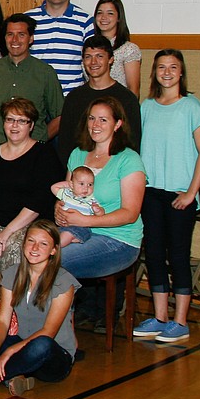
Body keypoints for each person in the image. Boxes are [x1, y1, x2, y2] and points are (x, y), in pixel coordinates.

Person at [133, 49, 200, 344]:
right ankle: (160, 317)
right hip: (150, 193)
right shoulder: (147, 106)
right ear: (154, 73)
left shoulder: (191, 106)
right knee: (153, 254)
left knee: (177, 255)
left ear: (181, 73)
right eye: (161, 67)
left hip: (180, 195)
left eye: (173, 67)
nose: (167, 72)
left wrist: (192, 192)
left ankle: (180, 321)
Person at [0, 221, 78, 394]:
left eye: (43, 244)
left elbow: (49, 332)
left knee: (42, 344)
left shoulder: (64, 281)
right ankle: (11, 376)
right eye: (31, 241)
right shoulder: (12, 274)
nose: (34, 248)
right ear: (24, 243)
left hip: (52, 356)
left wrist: (8, 352)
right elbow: (2, 321)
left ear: (54, 250)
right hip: (20, 346)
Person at [0, 98, 66, 275]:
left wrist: (8, 231)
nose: (14, 125)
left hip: (30, 223)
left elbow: (39, 201)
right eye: (10, 119)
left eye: (22, 121)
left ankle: (10, 301)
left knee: (13, 246)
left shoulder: (44, 154)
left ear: (31, 125)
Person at [55, 97, 146, 279]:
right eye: (91, 118)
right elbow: (66, 193)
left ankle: (56, 308)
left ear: (117, 124)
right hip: (76, 230)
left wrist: (85, 221)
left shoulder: (129, 160)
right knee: (32, 249)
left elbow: (130, 213)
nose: (95, 124)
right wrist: (58, 208)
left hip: (118, 239)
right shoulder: (78, 154)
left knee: (55, 261)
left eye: (103, 120)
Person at [0, 14, 64, 146]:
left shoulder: (45, 72)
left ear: (31, 38)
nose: (15, 40)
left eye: (21, 34)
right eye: (10, 34)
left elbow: (60, 116)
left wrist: (40, 140)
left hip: (33, 152)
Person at [56, 35, 142, 162]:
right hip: (79, 171)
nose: (93, 62)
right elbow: (65, 143)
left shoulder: (127, 99)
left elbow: (133, 143)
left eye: (99, 56)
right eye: (88, 57)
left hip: (115, 172)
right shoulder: (74, 98)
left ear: (111, 59)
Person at [23, 0, 93, 96]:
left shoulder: (86, 21)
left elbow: (92, 62)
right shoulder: (27, 19)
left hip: (72, 98)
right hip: (35, 97)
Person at [93, 0, 141, 97]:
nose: (103, 17)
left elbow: (133, 90)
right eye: (99, 13)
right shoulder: (89, 47)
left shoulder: (129, 49)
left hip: (118, 107)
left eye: (110, 13)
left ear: (119, 18)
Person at [53, 166, 104, 248]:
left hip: (81, 228)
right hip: (63, 226)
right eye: (81, 184)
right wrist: (69, 185)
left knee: (67, 235)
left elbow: (101, 215)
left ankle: (55, 247)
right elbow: (53, 187)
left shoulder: (91, 200)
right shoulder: (67, 194)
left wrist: (98, 210)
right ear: (72, 184)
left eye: (90, 184)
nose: (86, 188)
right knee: (49, 233)